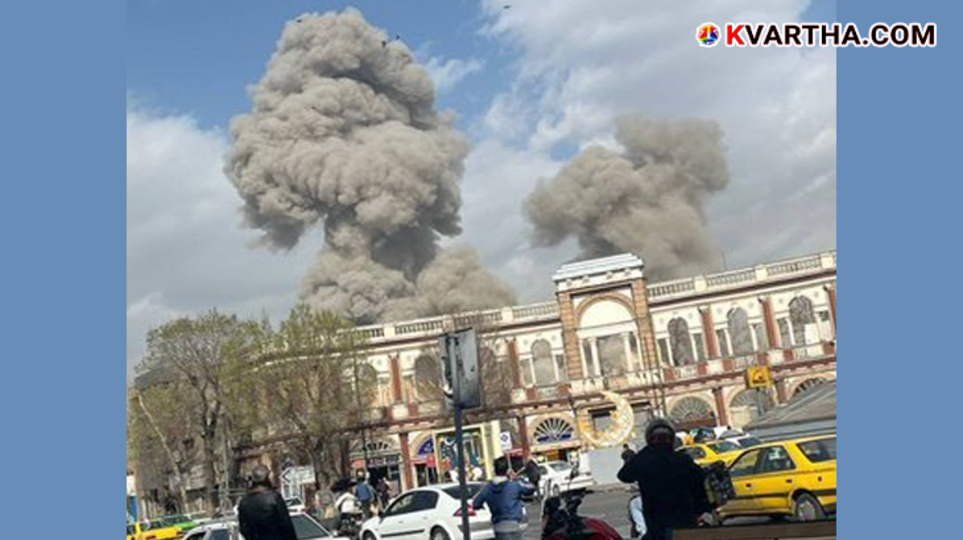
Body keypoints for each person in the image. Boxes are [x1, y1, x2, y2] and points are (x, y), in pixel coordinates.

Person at [617, 419, 712, 540]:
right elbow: (700, 478)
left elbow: (624, 475)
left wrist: (644, 453)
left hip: (657, 523)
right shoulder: (682, 460)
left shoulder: (643, 460)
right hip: (683, 521)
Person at [473, 457, 536, 540]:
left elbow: (475, 504)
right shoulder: (514, 485)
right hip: (514, 525)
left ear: (494, 470)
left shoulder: (487, 488)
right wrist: (517, 478)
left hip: (498, 527)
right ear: (507, 471)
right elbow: (531, 488)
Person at [237, 464, 298, 540]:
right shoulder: (274, 498)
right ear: (266, 479)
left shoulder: (244, 502)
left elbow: (243, 528)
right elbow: (286, 524)